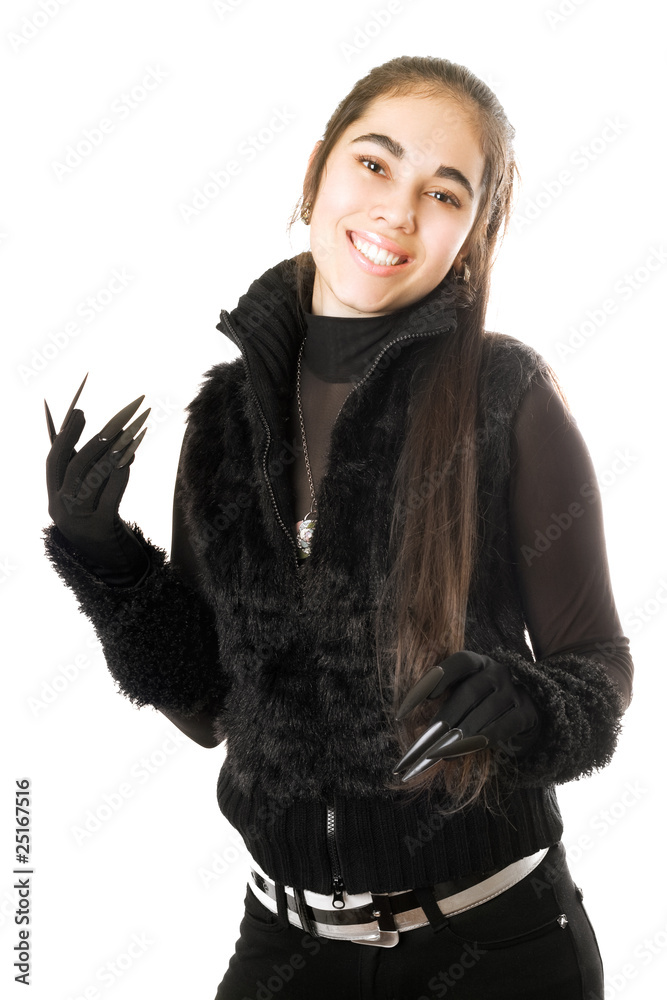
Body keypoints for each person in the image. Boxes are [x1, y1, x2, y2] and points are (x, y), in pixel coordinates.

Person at [43, 55, 633, 999]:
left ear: (472, 234)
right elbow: (208, 707)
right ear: (317, 169)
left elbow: (597, 663)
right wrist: (101, 556)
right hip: (285, 950)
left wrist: (527, 704)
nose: (397, 210)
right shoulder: (223, 419)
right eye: (374, 163)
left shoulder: (505, 396)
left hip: (498, 948)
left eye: (443, 192)